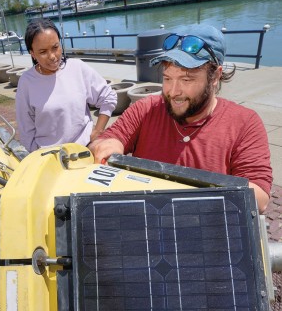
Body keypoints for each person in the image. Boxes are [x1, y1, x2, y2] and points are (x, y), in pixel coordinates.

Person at [89, 24, 272, 213]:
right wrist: (108, 145)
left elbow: (259, 198)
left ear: (215, 76)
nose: (173, 92)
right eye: (167, 78)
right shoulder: (146, 109)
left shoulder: (245, 123)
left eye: (186, 80)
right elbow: (103, 142)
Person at [15, 18, 117, 152]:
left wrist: (98, 130)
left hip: (85, 150)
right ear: (32, 53)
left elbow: (108, 96)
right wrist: (37, 156)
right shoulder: (26, 82)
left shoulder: (77, 68)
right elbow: (26, 130)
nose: (52, 56)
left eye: (55, 47)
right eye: (43, 52)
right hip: (50, 158)